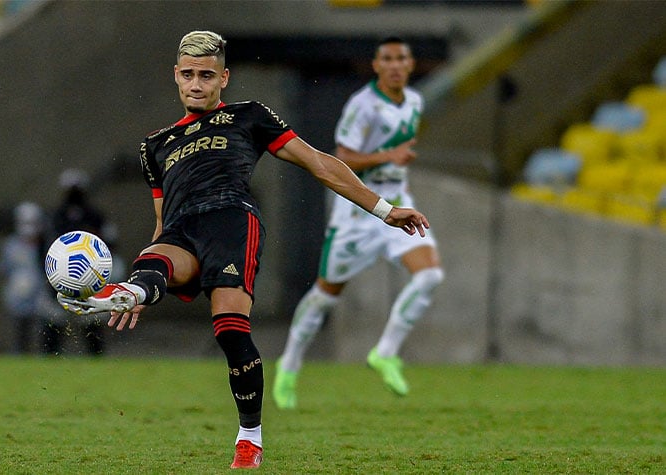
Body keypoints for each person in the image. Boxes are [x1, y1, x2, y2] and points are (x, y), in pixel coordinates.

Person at [55, 30, 430, 470]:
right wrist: (146, 281)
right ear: (176, 77)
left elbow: (319, 163)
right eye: (189, 75)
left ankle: (249, 438)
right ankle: (133, 290)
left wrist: (383, 209)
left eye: (207, 76)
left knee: (231, 333)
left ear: (224, 78)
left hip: (231, 222)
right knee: (156, 256)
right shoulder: (154, 146)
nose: (197, 84)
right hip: (179, 232)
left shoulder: (248, 117)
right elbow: (161, 224)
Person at [273, 37, 445, 409]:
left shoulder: (414, 101)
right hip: (358, 212)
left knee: (430, 274)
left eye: (402, 58)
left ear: (411, 64)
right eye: (388, 59)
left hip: (400, 202)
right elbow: (343, 157)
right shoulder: (362, 105)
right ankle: (289, 364)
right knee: (325, 296)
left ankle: (385, 352)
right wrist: (389, 156)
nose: (396, 65)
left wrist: (396, 171)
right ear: (377, 65)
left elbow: (398, 159)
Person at [44, 169, 109, 356]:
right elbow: (47, 245)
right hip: (60, 274)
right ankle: (50, 356)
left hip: (90, 274)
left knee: (90, 320)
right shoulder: (56, 216)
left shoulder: (95, 215)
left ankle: (96, 356)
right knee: (55, 319)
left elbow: (109, 242)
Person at [0, 201, 59, 354]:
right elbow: (5, 270)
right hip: (19, 296)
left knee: (45, 333)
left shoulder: (47, 245)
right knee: (20, 333)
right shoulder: (11, 245)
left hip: (42, 296)